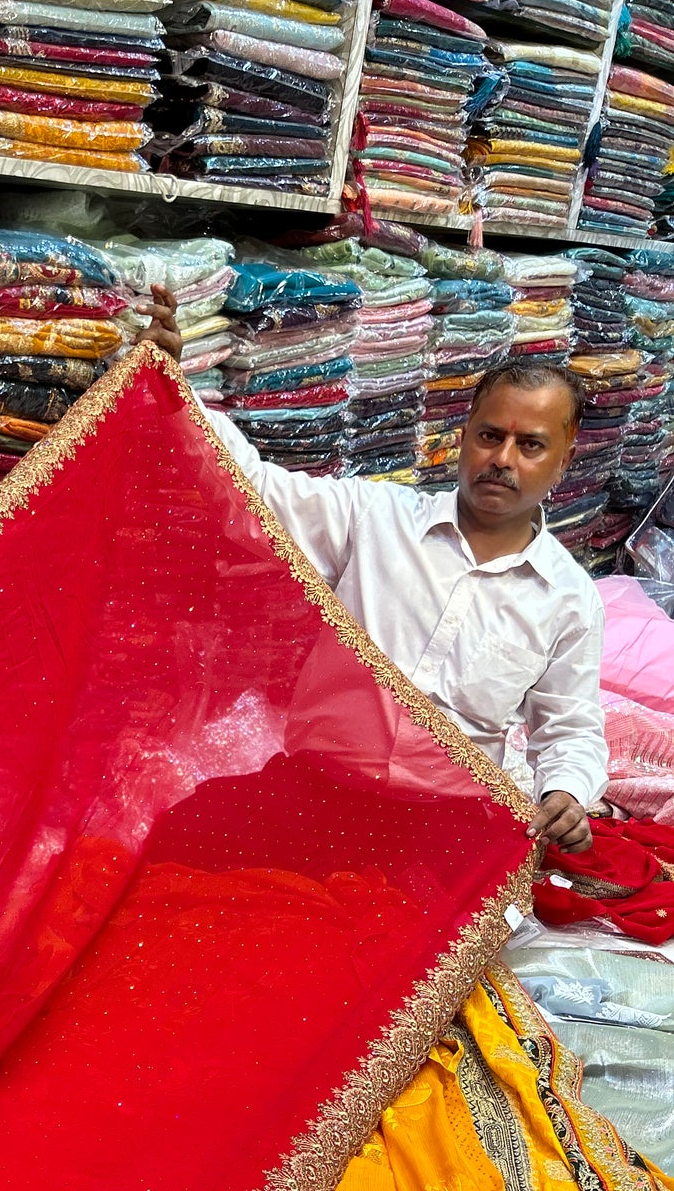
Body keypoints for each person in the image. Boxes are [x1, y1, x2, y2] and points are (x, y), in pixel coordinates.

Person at [148, 288, 606, 851]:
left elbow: (570, 726)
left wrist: (565, 793)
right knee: (173, 848)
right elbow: (253, 488)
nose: (503, 459)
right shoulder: (374, 517)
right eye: (491, 436)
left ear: (563, 462)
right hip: (319, 790)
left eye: (530, 445)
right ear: (463, 438)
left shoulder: (568, 598)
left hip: (444, 823)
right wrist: (175, 391)